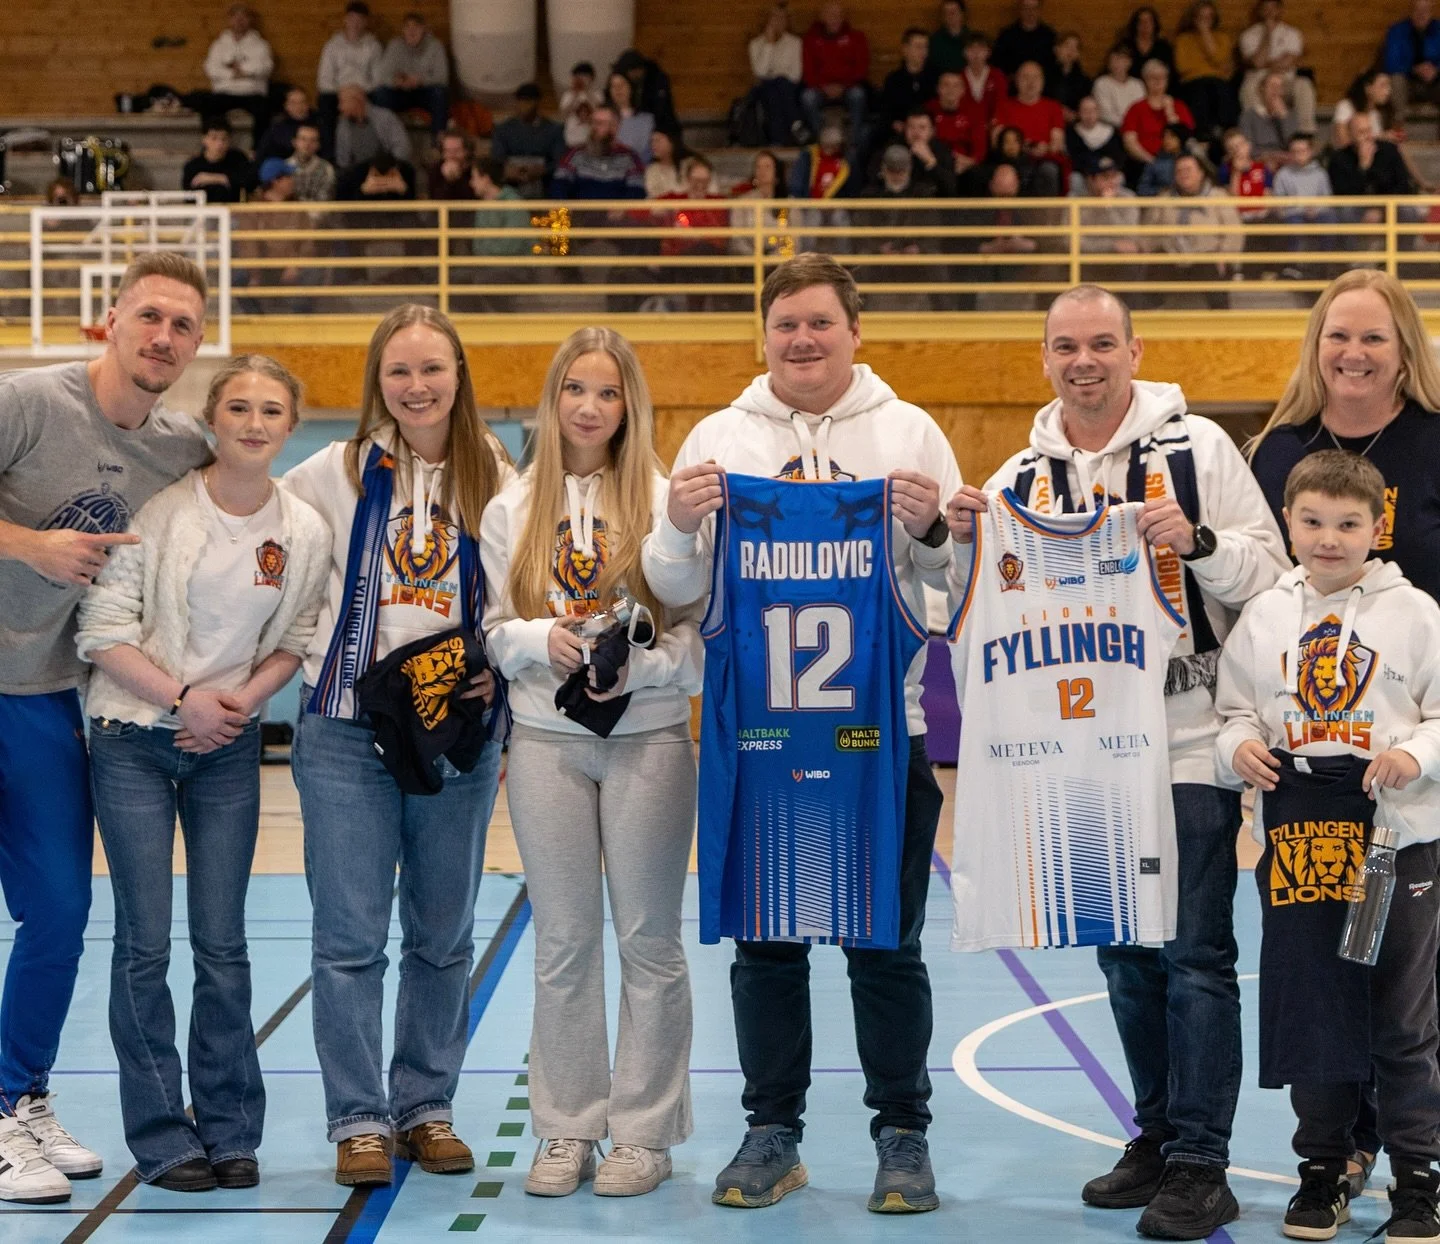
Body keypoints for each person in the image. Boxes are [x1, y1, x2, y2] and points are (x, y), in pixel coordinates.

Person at [945, 282, 1288, 1242]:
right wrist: (962, 543)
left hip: (1184, 740)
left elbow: (1268, 576)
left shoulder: (1199, 449)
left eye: (1102, 343)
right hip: (1081, 752)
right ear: (1045, 357)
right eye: (1066, 346)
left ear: (1135, 351)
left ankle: (1202, 1163)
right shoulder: (1019, 474)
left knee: (1193, 956)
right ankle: (1156, 1134)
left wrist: (1201, 542)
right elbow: (966, 610)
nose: (1084, 361)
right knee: (1126, 956)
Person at [642, 251, 960, 1216]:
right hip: (759, 737)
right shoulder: (720, 438)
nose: (803, 340)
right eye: (786, 325)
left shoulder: (908, 433)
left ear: (855, 333)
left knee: (886, 946)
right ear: (764, 336)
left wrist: (938, 532)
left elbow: (960, 595)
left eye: (821, 323)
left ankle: (902, 1133)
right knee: (766, 947)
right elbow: (676, 592)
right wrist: (673, 522)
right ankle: (771, 1129)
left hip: (882, 734)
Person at [74, 356, 328, 1192]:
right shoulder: (161, 513)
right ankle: (161, 1137)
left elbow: (293, 637)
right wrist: (183, 699)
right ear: (212, 421)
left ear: (292, 425)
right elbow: (101, 631)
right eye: (240, 409)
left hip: (225, 749)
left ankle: (229, 1129)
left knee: (223, 947)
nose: (255, 424)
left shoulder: (303, 529)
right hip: (133, 738)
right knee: (144, 946)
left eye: (272, 411)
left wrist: (236, 707)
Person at [281, 304, 510, 1188]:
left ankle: (426, 1107)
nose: (417, 387)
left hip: (457, 730)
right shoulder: (326, 475)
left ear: (460, 375)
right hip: (344, 728)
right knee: (348, 937)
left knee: (443, 933)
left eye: (434, 370)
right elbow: (274, 560)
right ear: (378, 380)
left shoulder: (499, 474)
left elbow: (525, 587)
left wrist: (501, 659)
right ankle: (358, 1121)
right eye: (399, 371)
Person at [0, 251, 212, 1204]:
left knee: (59, 915)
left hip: (44, 700)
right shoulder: (29, 402)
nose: (163, 337)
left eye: (183, 326)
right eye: (150, 317)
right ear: (112, 319)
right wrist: (29, 543)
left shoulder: (177, 446)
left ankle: (16, 1101)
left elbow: (262, 468)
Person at [480, 327, 700, 1199]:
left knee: (650, 940)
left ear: (629, 404)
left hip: (647, 739)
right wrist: (547, 641)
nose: (589, 407)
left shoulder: (665, 498)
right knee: (564, 942)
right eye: (576, 389)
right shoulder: (515, 503)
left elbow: (696, 642)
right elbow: (492, 633)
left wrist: (633, 665)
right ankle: (568, 1127)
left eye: (607, 392)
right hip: (547, 745)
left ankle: (644, 1132)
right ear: (554, 398)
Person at [1216, 449, 1440, 1243]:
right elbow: (1236, 711)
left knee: (1395, 1010)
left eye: (1349, 524)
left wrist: (1415, 755)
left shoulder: (1414, 614)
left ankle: (1418, 1174)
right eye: (1313, 521)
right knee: (1313, 999)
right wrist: (1237, 747)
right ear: (1288, 520)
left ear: (1378, 525)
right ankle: (1322, 1168)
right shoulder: (1268, 615)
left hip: (1383, 838)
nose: (1330, 539)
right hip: (1301, 828)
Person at [1249, 269, 1440, 604]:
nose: (1353, 353)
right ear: (1315, 345)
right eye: (1338, 336)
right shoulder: (1275, 454)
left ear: (1404, 351)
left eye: (1373, 339)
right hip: (1305, 653)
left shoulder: (1433, 441)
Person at [1157, 153, 1242, 304]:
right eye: (1179, 171)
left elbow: (1234, 232)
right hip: (1173, 258)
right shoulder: (1164, 199)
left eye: (1188, 169)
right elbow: (1150, 232)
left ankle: (1220, 323)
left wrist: (1224, 255)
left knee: (1212, 274)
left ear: (1201, 173)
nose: (1184, 174)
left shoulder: (1218, 196)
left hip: (1209, 259)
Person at [800, 1, 870, 155]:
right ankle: (822, 142)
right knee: (807, 98)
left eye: (838, 15)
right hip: (820, 89)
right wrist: (823, 86)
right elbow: (808, 71)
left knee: (858, 95)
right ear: (822, 17)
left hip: (847, 88)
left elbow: (861, 68)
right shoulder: (811, 39)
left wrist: (843, 86)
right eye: (830, 15)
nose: (834, 19)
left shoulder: (856, 37)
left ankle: (853, 145)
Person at [200, 3, 275, 145]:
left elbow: (265, 67)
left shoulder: (260, 45)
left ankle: (258, 150)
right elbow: (211, 68)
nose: (239, 20)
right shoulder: (219, 45)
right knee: (209, 106)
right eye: (235, 17)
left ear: (249, 20)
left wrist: (243, 70)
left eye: (243, 17)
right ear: (230, 20)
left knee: (264, 110)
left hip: (252, 92)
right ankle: (212, 146)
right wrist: (232, 74)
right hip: (225, 91)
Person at [1238, 0, 1317, 133]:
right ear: (1260, 11)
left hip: (1286, 80)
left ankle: (1305, 133)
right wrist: (1267, 34)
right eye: (1266, 8)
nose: (1269, 12)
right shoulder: (1248, 35)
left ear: (1280, 10)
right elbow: (1257, 62)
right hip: (1259, 80)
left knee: (1304, 85)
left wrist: (1267, 64)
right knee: (1248, 88)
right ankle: (1255, 132)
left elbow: (1289, 61)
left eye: (1273, 8)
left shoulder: (1292, 33)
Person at [316, 1, 383, 153]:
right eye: (352, 19)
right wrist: (344, 92)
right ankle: (329, 155)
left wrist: (357, 91)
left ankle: (375, 152)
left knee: (381, 99)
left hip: (365, 93)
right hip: (337, 93)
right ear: (345, 20)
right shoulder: (332, 46)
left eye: (360, 20)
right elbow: (324, 80)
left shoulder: (373, 46)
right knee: (324, 102)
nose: (355, 24)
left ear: (366, 22)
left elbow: (378, 79)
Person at [993, 60, 1065, 194]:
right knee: (1004, 174)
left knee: (1049, 171)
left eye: (1035, 77)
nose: (1031, 82)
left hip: (1042, 160)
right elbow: (996, 140)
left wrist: (1044, 148)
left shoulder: (1053, 107)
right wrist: (1021, 148)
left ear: (1043, 81)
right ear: (1017, 80)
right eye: (1025, 77)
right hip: (1012, 159)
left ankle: (1047, 215)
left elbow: (1057, 144)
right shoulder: (1004, 106)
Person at [372, 12, 449, 136]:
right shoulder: (395, 45)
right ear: (403, 30)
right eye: (407, 27)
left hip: (424, 91)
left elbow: (442, 77)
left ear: (423, 29)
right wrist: (395, 81)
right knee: (380, 94)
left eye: (416, 27)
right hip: (400, 92)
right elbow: (382, 76)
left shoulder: (435, 46)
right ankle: (383, 143)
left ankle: (438, 145)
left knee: (440, 94)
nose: (411, 31)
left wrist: (420, 80)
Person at [1173, 0, 1238, 140]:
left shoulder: (1222, 38)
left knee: (1221, 89)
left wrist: (1206, 35)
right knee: (1201, 90)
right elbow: (1182, 67)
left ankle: (1224, 131)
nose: (1205, 21)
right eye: (1201, 17)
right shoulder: (1183, 39)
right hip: (1193, 82)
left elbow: (1221, 60)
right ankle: (1201, 134)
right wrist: (1210, 68)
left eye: (1208, 17)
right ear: (1194, 18)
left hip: (1217, 82)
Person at [552, 105, 646, 200]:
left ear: (615, 127)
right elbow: (559, 184)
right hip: (581, 213)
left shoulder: (629, 157)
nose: (594, 127)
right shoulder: (576, 154)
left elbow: (637, 189)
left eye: (600, 123)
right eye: (592, 122)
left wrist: (624, 210)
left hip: (616, 214)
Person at [334, 85, 412, 197]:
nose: (339, 107)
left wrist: (385, 171)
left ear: (357, 101)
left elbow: (402, 148)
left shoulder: (386, 117)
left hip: (388, 169)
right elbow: (343, 161)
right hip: (359, 174)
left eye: (342, 102)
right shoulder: (343, 125)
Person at [491, 84, 567, 198]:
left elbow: (560, 160)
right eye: (521, 101)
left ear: (538, 103)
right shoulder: (503, 129)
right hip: (510, 181)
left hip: (544, 182)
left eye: (528, 101)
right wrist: (508, 169)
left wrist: (543, 170)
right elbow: (496, 156)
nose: (524, 106)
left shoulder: (553, 129)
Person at [1121, 60, 1195, 173]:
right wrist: (1152, 161)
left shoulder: (1178, 106)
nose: (1158, 81)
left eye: (1162, 77)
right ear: (1145, 80)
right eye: (1153, 77)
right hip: (1145, 162)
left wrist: (1170, 111)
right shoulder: (1136, 108)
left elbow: (1185, 136)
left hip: (1177, 160)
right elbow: (1130, 141)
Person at [749, 4, 806, 145]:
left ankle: (777, 140)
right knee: (772, 90)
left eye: (782, 19)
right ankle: (796, 124)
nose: (778, 22)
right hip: (766, 88)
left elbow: (796, 75)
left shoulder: (795, 43)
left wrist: (776, 75)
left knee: (779, 86)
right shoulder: (756, 44)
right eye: (775, 18)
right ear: (767, 21)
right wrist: (769, 45)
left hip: (790, 87)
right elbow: (760, 72)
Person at [1328, 112, 1415, 200]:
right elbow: (1343, 196)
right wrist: (1363, 168)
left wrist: (1381, 208)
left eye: (1369, 130)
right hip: (1356, 208)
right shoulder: (1339, 159)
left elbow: (1403, 185)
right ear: (1351, 135)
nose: (1367, 136)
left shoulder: (1389, 150)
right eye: (1361, 132)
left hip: (1389, 205)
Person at [879, 27, 938, 140]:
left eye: (925, 47)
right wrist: (895, 124)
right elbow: (886, 113)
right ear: (905, 49)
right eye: (918, 47)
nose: (923, 51)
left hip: (930, 136)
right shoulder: (893, 80)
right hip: (900, 135)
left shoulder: (935, 77)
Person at [929, 69, 987, 180]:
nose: (951, 90)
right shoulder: (928, 110)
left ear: (963, 90)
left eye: (956, 86)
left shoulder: (974, 113)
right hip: (934, 164)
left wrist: (967, 162)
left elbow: (980, 151)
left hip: (965, 166)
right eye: (946, 85)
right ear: (938, 89)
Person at [1384, 0, 1440, 113]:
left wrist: (1436, 69)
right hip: (1408, 82)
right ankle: (1399, 125)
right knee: (1396, 80)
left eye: (1425, 11)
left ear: (1431, 12)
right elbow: (1390, 63)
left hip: (1435, 82)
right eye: (1417, 10)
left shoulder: (1438, 29)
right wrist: (1414, 69)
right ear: (1411, 11)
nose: (1421, 14)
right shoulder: (1397, 31)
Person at [183, 119, 257, 203]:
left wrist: (218, 178)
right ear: (204, 139)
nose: (219, 144)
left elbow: (250, 181)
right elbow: (189, 197)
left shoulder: (238, 159)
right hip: (204, 213)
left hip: (233, 212)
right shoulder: (192, 166)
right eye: (214, 138)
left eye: (224, 139)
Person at [1239, 70, 1300, 164]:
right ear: (1262, 89)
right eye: (1272, 86)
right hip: (1260, 161)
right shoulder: (1248, 116)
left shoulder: (1290, 115)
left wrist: (1284, 118)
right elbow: (1248, 148)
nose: (1275, 91)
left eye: (1279, 87)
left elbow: (1295, 145)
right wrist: (1270, 156)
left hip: (1286, 163)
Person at [1333, 68, 1402, 149]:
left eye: (1389, 86)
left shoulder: (1380, 113)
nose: (1388, 91)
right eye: (1383, 85)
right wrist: (1380, 138)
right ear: (1368, 88)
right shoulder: (1346, 106)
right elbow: (1343, 141)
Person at [1067, 94, 1125, 187]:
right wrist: (1094, 165)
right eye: (1085, 111)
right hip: (1083, 175)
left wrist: (1104, 169)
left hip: (1108, 174)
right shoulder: (1072, 132)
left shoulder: (1111, 131)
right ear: (1079, 112)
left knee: (1120, 178)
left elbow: (1118, 157)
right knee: (1074, 179)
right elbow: (1074, 158)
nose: (1089, 114)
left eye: (1093, 110)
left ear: (1098, 111)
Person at [993, 0, 1058, 80]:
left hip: (1043, 87)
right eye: (1026, 8)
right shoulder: (1006, 35)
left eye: (1034, 8)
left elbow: (1054, 66)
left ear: (1039, 10)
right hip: (1013, 86)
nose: (1030, 12)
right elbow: (997, 64)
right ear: (1020, 9)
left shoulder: (1050, 36)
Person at [256, 86, 318, 166]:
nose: (298, 106)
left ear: (308, 104)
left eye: (302, 102)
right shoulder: (277, 128)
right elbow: (262, 154)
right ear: (286, 106)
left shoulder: (319, 124)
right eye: (293, 103)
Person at [606, 72, 655, 167]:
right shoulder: (602, 118)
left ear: (631, 88)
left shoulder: (647, 120)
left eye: (622, 84)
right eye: (613, 86)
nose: (618, 89)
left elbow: (648, 153)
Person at [1095, 43, 1146, 127]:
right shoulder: (1101, 83)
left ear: (1129, 62)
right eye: (1113, 59)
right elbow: (1105, 114)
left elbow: (1142, 110)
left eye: (1120, 59)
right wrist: (1128, 124)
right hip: (1111, 129)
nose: (1116, 63)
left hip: (1136, 128)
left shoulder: (1138, 84)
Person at [289, 122, 337, 201]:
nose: (307, 144)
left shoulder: (326, 169)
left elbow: (325, 200)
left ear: (318, 145)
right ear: (294, 142)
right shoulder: (283, 167)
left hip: (318, 212)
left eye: (313, 140)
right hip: (291, 213)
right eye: (303, 139)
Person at [1121, 6, 1175, 76]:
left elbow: (1171, 73)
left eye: (1149, 21)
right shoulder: (1126, 46)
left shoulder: (1163, 46)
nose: (1145, 25)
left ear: (1154, 24)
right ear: (1135, 25)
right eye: (1141, 21)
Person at [560, 62, 603, 149]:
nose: (581, 79)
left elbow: (599, 112)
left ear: (592, 78)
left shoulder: (598, 94)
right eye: (577, 76)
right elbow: (563, 115)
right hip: (571, 140)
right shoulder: (568, 95)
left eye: (584, 76)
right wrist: (575, 95)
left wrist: (587, 92)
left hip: (593, 141)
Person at [1051, 31, 1092, 118]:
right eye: (1067, 45)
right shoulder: (1044, 75)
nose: (1071, 50)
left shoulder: (1084, 80)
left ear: (1078, 54)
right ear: (1056, 49)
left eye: (1075, 47)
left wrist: (1075, 115)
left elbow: (1085, 105)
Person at [427, 129, 475, 200]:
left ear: (466, 151)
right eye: (447, 151)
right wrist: (448, 180)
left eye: (457, 150)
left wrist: (458, 178)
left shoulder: (475, 170)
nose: (452, 155)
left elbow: (473, 200)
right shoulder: (435, 170)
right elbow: (435, 201)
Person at [927, 0, 970, 74]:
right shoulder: (934, 41)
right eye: (946, 13)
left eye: (953, 12)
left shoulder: (971, 39)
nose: (950, 16)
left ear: (962, 14)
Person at [645, 130, 685, 198]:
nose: (653, 145)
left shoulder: (687, 166)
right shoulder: (651, 169)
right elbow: (654, 194)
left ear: (671, 142)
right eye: (652, 141)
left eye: (658, 141)